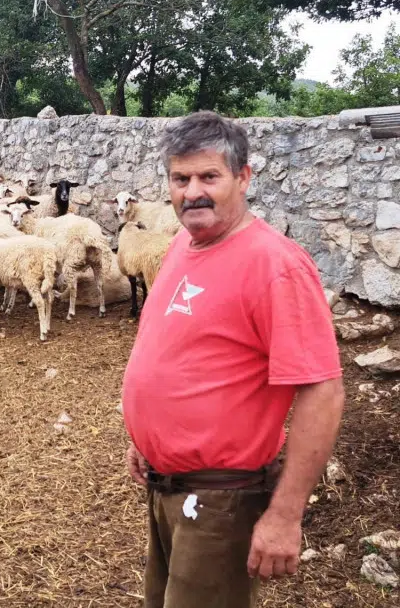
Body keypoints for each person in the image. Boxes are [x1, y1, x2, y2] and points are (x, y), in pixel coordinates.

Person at [121, 111, 345, 608]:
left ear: (243, 177)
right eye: (180, 179)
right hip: (166, 486)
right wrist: (148, 439)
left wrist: (286, 515)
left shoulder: (275, 265)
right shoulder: (184, 243)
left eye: (209, 176)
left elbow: (321, 390)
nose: (192, 191)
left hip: (221, 498)